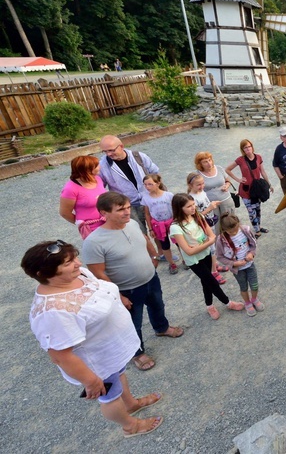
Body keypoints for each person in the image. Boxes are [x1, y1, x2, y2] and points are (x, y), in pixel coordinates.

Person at [23, 240, 164, 438]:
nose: (79, 264)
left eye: (74, 258)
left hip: (112, 350)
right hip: (97, 363)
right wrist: (90, 381)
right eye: (68, 263)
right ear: (44, 273)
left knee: (119, 375)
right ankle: (130, 426)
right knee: (110, 397)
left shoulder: (77, 275)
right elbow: (60, 356)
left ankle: (131, 404)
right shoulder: (52, 311)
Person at [82, 192, 184, 372]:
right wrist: (118, 295)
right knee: (131, 323)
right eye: (120, 209)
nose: (127, 212)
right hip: (127, 290)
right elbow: (97, 272)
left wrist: (154, 255)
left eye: (128, 207)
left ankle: (162, 328)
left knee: (158, 306)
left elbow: (144, 239)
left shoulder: (133, 224)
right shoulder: (94, 242)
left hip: (150, 279)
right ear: (104, 213)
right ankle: (137, 353)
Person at [169, 193, 245, 320]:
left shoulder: (197, 216)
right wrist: (208, 242)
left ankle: (209, 305)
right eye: (189, 206)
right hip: (193, 261)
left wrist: (204, 244)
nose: (193, 208)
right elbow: (188, 251)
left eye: (193, 204)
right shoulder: (176, 227)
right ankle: (228, 303)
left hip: (205, 254)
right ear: (179, 208)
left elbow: (212, 235)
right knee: (211, 280)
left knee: (206, 281)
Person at [98, 135, 159, 234]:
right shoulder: (103, 166)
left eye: (111, 150)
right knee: (139, 234)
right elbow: (100, 187)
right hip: (127, 206)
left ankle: (161, 250)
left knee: (157, 230)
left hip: (149, 200)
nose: (108, 154)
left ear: (121, 146)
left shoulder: (139, 156)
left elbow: (155, 173)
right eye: (105, 151)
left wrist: (157, 194)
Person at [215, 213, 265, 316]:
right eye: (230, 232)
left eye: (235, 229)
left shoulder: (245, 230)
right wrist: (233, 263)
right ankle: (247, 303)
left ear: (238, 224)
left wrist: (251, 253)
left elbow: (253, 244)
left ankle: (254, 299)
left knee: (254, 285)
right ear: (224, 229)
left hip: (250, 265)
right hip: (238, 270)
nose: (233, 233)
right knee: (243, 287)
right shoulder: (221, 240)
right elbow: (220, 256)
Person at [187, 171, 228, 284]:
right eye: (198, 184)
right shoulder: (191, 199)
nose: (202, 186)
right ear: (190, 185)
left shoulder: (202, 192)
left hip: (209, 223)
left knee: (213, 246)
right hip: (202, 226)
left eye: (203, 183)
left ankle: (214, 265)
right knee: (211, 248)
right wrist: (210, 208)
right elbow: (194, 217)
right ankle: (213, 272)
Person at [226, 139, 274, 235]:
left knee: (258, 209)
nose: (247, 149)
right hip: (246, 190)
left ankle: (258, 227)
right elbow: (228, 169)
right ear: (242, 150)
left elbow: (262, 171)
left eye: (249, 146)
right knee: (251, 211)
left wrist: (269, 184)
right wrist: (238, 179)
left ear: (252, 147)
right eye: (245, 147)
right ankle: (257, 231)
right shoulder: (240, 160)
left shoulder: (258, 157)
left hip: (257, 189)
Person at [59, 155, 107, 239]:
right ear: (87, 170)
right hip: (91, 230)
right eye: (96, 166)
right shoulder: (70, 189)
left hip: (108, 222)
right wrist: (81, 224)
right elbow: (64, 213)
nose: (100, 167)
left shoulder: (98, 179)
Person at [141, 174, 179, 275]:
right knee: (164, 245)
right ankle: (171, 263)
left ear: (158, 183)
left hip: (171, 223)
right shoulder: (146, 198)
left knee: (179, 242)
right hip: (159, 226)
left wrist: (177, 221)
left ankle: (185, 260)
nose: (147, 187)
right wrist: (150, 229)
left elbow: (175, 209)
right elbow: (147, 214)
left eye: (150, 184)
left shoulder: (168, 195)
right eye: (145, 185)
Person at [194, 151, 235, 222]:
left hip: (226, 200)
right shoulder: (197, 175)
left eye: (209, 160)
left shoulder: (219, 168)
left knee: (230, 223)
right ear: (200, 164)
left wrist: (226, 186)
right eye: (205, 162)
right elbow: (196, 191)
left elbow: (228, 181)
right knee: (216, 226)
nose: (209, 163)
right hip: (211, 205)